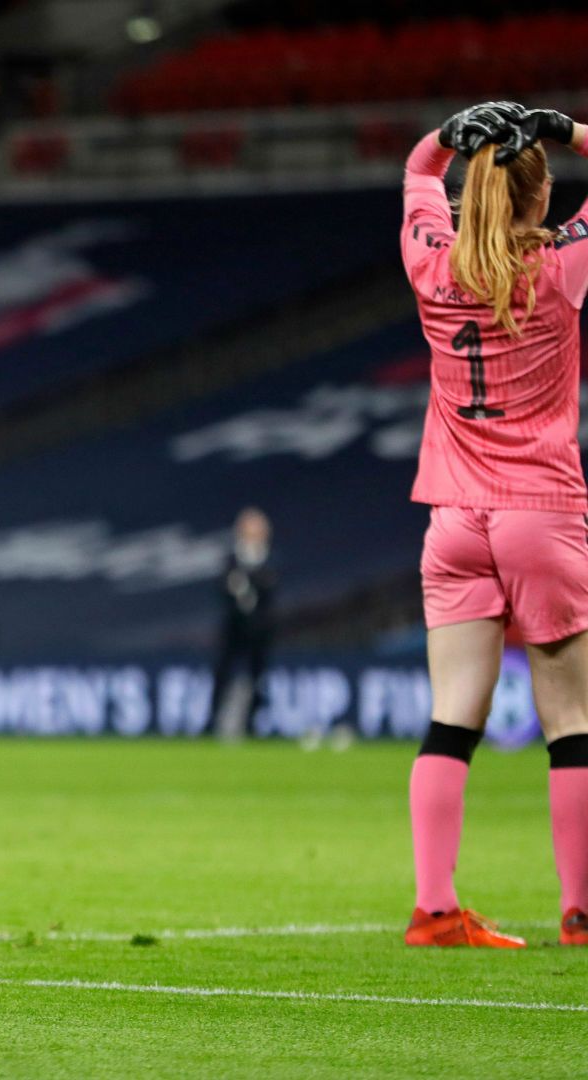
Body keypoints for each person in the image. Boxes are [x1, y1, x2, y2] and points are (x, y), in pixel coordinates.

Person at [398, 101, 588, 948]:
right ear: (540, 197)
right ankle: (582, 911)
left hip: (452, 517)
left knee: (452, 718)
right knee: (573, 720)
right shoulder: (561, 270)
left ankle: (434, 908)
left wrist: (448, 133)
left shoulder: (433, 266)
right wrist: (570, 127)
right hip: (539, 511)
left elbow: (414, 174)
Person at [206, 507, 275, 739]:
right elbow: (223, 587)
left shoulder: (268, 559)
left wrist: (248, 591)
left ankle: (253, 726)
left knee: (257, 678)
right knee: (222, 675)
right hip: (234, 629)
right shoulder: (233, 558)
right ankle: (211, 724)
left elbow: (269, 590)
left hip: (258, 631)